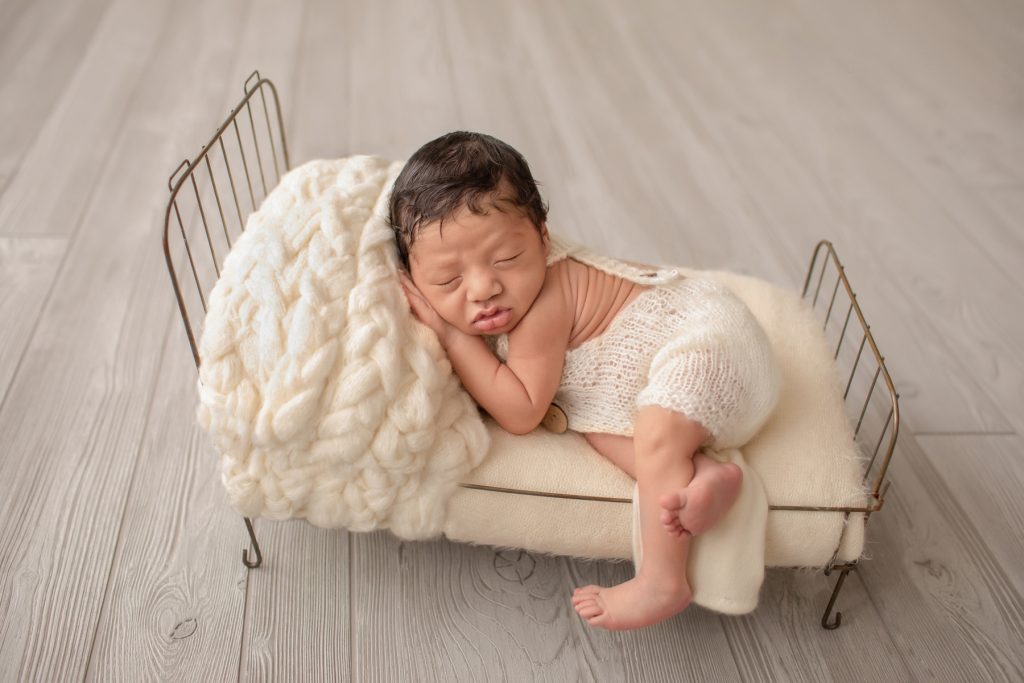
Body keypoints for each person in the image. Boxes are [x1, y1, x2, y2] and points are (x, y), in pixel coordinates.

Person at [389, 131, 779, 631]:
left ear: (543, 239)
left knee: (656, 431)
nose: (485, 288)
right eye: (447, 281)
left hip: (710, 339)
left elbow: (522, 411)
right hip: (658, 372)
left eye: (507, 259)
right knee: (598, 428)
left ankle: (663, 582)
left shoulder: (544, 302)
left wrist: (449, 332)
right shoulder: (502, 286)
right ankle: (705, 475)